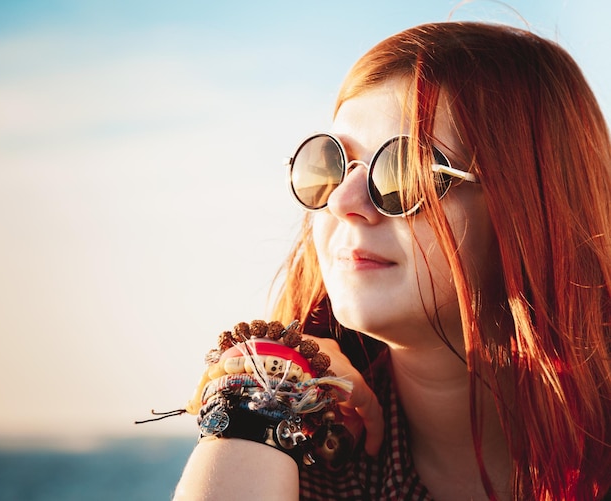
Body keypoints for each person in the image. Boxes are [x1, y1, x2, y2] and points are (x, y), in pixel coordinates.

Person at [172, 21, 611, 500]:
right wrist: (266, 389)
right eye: (332, 163)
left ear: (533, 205)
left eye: (405, 170)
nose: (343, 201)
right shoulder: (301, 461)